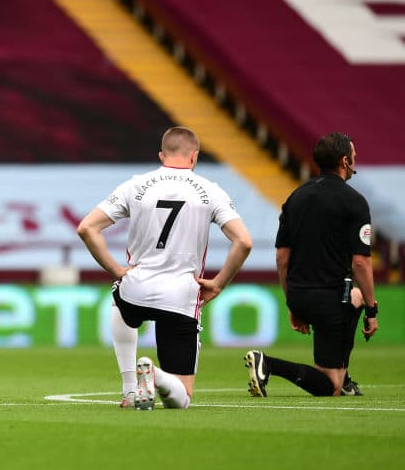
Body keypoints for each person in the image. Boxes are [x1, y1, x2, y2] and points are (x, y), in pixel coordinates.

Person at [77, 126, 252, 410]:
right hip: (181, 296)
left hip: (137, 287)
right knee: (181, 399)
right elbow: (243, 241)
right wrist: (218, 283)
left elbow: (87, 228)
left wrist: (117, 270)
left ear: (161, 155)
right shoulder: (211, 191)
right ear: (194, 156)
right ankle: (155, 375)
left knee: (119, 300)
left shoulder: (135, 185)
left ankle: (130, 389)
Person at [245, 132, 378, 397]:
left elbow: (282, 258)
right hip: (331, 298)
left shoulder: (296, 197)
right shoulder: (355, 201)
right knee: (331, 387)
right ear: (344, 161)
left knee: (352, 298)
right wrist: (373, 310)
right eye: (353, 155)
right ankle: (269, 364)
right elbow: (361, 262)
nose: (355, 159)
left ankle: (342, 371)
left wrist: (291, 301)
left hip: (300, 293)